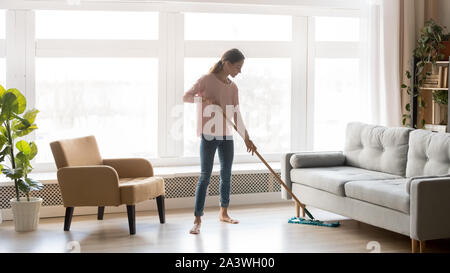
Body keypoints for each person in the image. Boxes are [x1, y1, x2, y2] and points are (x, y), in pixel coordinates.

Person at [183, 48, 257, 235]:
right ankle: (197, 219)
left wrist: (247, 138)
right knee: (205, 176)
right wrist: (204, 99)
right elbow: (186, 96)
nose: (239, 71)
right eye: (237, 67)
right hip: (208, 135)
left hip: (226, 136)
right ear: (227, 63)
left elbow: (236, 114)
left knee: (226, 174)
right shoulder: (206, 80)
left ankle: (223, 212)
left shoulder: (233, 88)